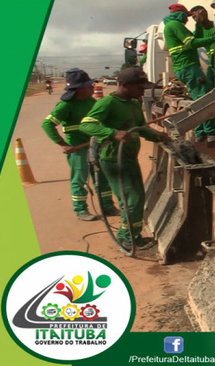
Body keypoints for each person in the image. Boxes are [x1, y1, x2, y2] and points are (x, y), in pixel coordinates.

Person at [80, 67, 170, 247]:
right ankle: (130, 240)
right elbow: (86, 125)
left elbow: (141, 129)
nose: (143, 90)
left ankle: (126, 234)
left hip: (129, 158)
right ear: (125, 85)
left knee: (133, 199)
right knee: (133, 200)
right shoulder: (108, 103)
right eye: (140, 87)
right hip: (114, 160)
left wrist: (158, 136)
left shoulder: (134, 103)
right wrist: (112, 133)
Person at [41, 68, 118, 221]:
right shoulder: (66, 105)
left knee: (102, 176)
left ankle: (107, 206)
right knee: (80, 178)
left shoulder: (91, 102)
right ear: (79, 89)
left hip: (95, 145)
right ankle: (81, 210)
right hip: (77, 148)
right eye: (89, 86)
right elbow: (47, 124)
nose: (92, 88)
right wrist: (62, 144)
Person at [163, 3, 215, 142]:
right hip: (189, 67)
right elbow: (192, 43)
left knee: (197, 100)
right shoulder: (175, 25)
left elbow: (194, 39)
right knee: (204, 99)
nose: (187, 20)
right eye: (186, 16)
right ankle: (211, 132)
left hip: (185, 68)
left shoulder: (171, 26)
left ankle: (200, 132)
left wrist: (198, 23)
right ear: (180, 15)